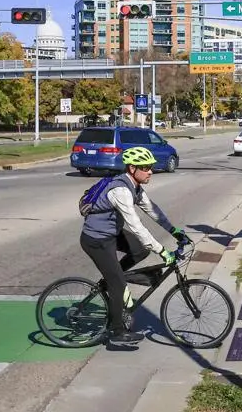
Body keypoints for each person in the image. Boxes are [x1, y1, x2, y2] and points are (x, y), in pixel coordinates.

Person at [80, 146, 189, 344]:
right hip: (96, 240)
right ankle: (117, 331)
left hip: (112, 233)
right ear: (132, 168)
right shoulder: (120, 191)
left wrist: (174, 231)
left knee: (140, 250)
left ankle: (113, 276)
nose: (150, 171)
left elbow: (153, 210)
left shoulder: (135, 187)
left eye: (151, 167)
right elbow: (137, 226)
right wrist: (162, 250)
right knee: (119, 285)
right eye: (146, 167)